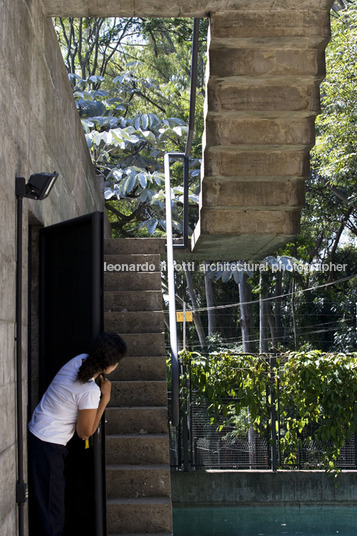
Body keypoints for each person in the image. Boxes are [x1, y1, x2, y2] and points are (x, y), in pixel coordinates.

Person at [28, 331, 127, 536]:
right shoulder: (90, 392)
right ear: (109, 366)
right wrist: (104, 399)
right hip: (49, 446)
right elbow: (85, 432)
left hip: (38, 433)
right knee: (52, 516)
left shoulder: (78, 360)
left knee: (47, 509)